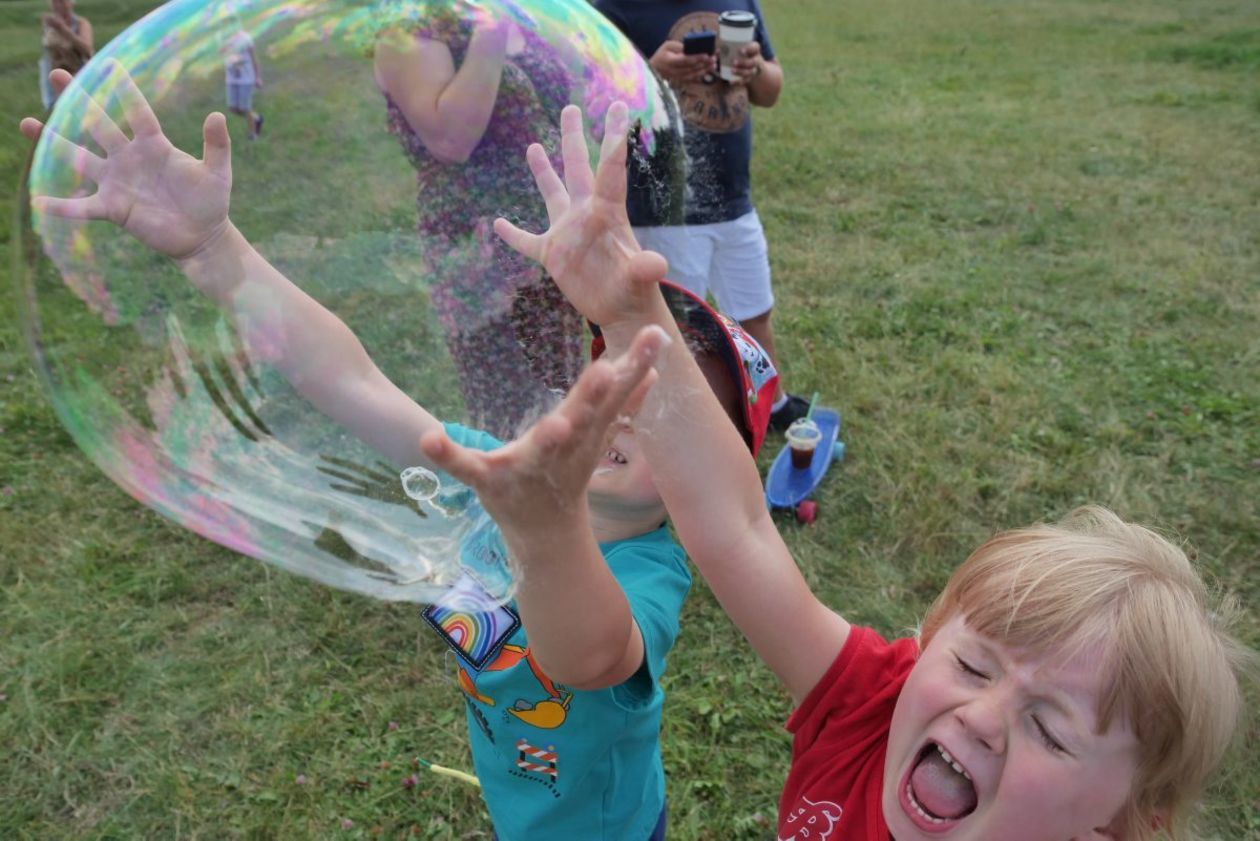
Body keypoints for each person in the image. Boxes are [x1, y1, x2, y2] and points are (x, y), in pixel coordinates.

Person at [20, 73, 778, 840]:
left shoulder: (649, 568)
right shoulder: (496, 476)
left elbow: (592, 654)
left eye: (674, 412)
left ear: (701, 480)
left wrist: (545, 528)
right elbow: (349, 380)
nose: (631, 411)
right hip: (518, 800)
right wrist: (217, 250)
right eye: (625, 370)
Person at [490, 102, 1255, 840]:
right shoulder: (869, 709)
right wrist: (630, 319)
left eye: (1051, 731)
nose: (981, 719)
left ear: (1114, 824)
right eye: (970, 663)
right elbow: (739, 528)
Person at [594, 0, 813, 431]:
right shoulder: (615, 8)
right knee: (678, 330)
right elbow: (597, 104)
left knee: (754, 311)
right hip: (666, 208)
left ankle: (771, 403)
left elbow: (771, 90)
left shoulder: (737, 2)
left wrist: (755, 70)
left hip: (733, 199)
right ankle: (681, 423)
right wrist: (650, 72)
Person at [373, 9, 585, 440]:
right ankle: (520, 505)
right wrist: (493, 24)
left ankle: (574, 500)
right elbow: (451, 139)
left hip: (552, 235)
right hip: (483, 253)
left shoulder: (520, 15)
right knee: (516, 418)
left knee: (565, 392)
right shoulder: (412, 30)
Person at [38, 0, 93, 111]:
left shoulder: (81, 24)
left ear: (72, 3)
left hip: (77, 76)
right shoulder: (49, 25)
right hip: (53, 77)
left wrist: (63, 29)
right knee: (56, 112)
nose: (57, 5)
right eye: (54, 2)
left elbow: (88, 51)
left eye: (61, 2)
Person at [221, 24, 263, 140]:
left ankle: (253, 134)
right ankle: (256, 118)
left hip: (246, 78)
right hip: (231, 79)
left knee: (245, 107)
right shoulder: (223, 38)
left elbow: (254, 59)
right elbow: (222, 53)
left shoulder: (245, 38)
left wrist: (258, 77)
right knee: (233, 108)